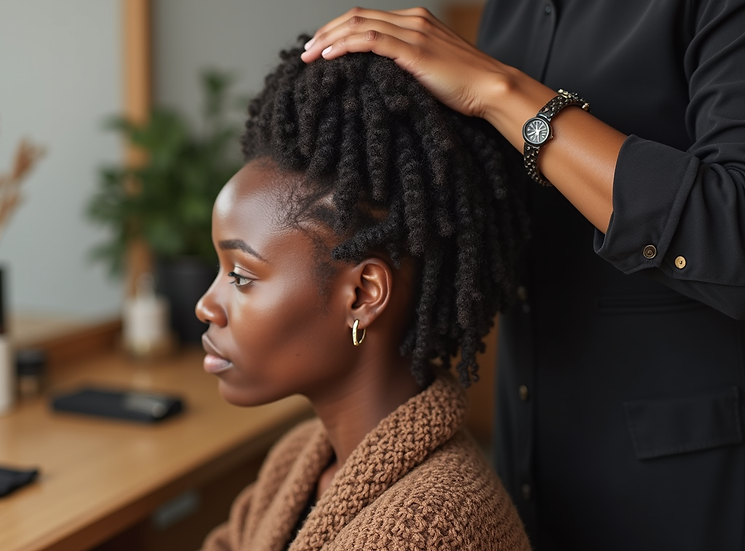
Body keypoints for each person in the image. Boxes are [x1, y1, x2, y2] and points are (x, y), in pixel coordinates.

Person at [300, 2, 745, 549]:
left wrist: (499, 91)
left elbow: (731, 239)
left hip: (684, 492)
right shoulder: (509, 12)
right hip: (524, 466)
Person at [195, 39, 532, 550]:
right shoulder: (300, 457)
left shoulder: (431, 530)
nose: (205, 305)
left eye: (240, 275)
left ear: (363, 294)